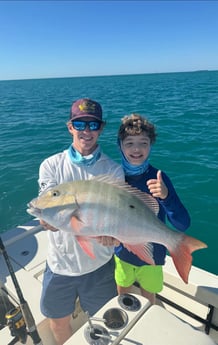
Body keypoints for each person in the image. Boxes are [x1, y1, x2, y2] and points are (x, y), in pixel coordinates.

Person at [38, 98, 124, 345]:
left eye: (93, 124)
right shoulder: (51, 166)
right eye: (80, 124)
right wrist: (47, 218)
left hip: (98, 265)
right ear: (70, 127)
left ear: (101, 128)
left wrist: (115, 236)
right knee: (58, 321)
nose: (86, 131)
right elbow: (48, 201)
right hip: (60, 265)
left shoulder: (113, 170)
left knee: (105, 321)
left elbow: (117, 217)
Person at [114, 113, 191, 304]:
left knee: (150, 300)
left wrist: (166, 197)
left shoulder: (159, 178)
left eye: (143, 143)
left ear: (151, 145)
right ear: (120, 146)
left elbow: (183, 223)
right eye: (129, 143)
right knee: (123, 295)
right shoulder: (113, 177)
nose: (137, 149)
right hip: (122, 253)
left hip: (152, 258)